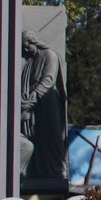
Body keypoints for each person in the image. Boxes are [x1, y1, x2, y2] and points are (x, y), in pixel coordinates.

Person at [20, 30, 67, 180]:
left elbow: (48, 80)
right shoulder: (31, 62)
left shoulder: (49, 55)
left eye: (27, 46)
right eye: (24, 47)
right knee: (38, 140)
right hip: (36, 109)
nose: (26, 50)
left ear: (34, 42)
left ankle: (58, 171)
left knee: (53, 138)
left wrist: (32, 99)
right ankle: (40, 172)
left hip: (48, 104)